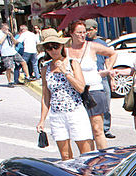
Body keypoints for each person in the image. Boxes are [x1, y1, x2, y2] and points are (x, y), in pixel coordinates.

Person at [36, 28, 94, 160]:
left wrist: (66, 72)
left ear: (62, 46)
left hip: (75, 112)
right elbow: (46, 96)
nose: (53, 51)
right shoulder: (45, 68)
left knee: (86, 154)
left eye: (55, 46)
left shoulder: (72, 63)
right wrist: (42, 120)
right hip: (57, 115)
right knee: (65, 156)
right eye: (49, 48)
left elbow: (81, 87)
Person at [65, 19, 117, 149]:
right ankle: (90, 159)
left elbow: (112, 53)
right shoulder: (66, 50)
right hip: (75, 93)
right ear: (71, 33)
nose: (83, 35)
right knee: (82, 130)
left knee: (97, 129)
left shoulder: (91, 46)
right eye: (79, 33)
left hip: (93, 90)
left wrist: (107, 69)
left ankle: (103, 160)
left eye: (84, 32)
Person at [84, 19, 114, 138]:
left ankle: (105, 128)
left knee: (105, 104)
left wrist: (109, 72)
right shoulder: (83, 43)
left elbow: (109, 58)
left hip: (102, 77)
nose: (87, 33)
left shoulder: (101, 43)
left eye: (89, 30)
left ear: (95, 29)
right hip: (88, 77)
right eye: (85, 30)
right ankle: (91, 128)